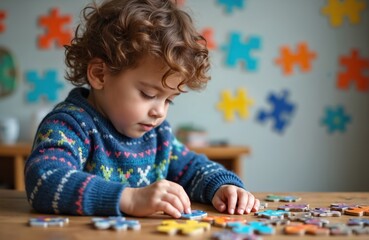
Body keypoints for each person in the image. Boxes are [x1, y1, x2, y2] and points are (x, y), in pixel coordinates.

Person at [25, 0, 260, 218]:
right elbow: (44, 180)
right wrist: (128, 198)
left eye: (169, 100)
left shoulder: (158, 135)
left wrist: (224, 185)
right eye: (149, 94)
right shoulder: (69, 125)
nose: (160, 112)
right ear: (100, 74)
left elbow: (194, 168)